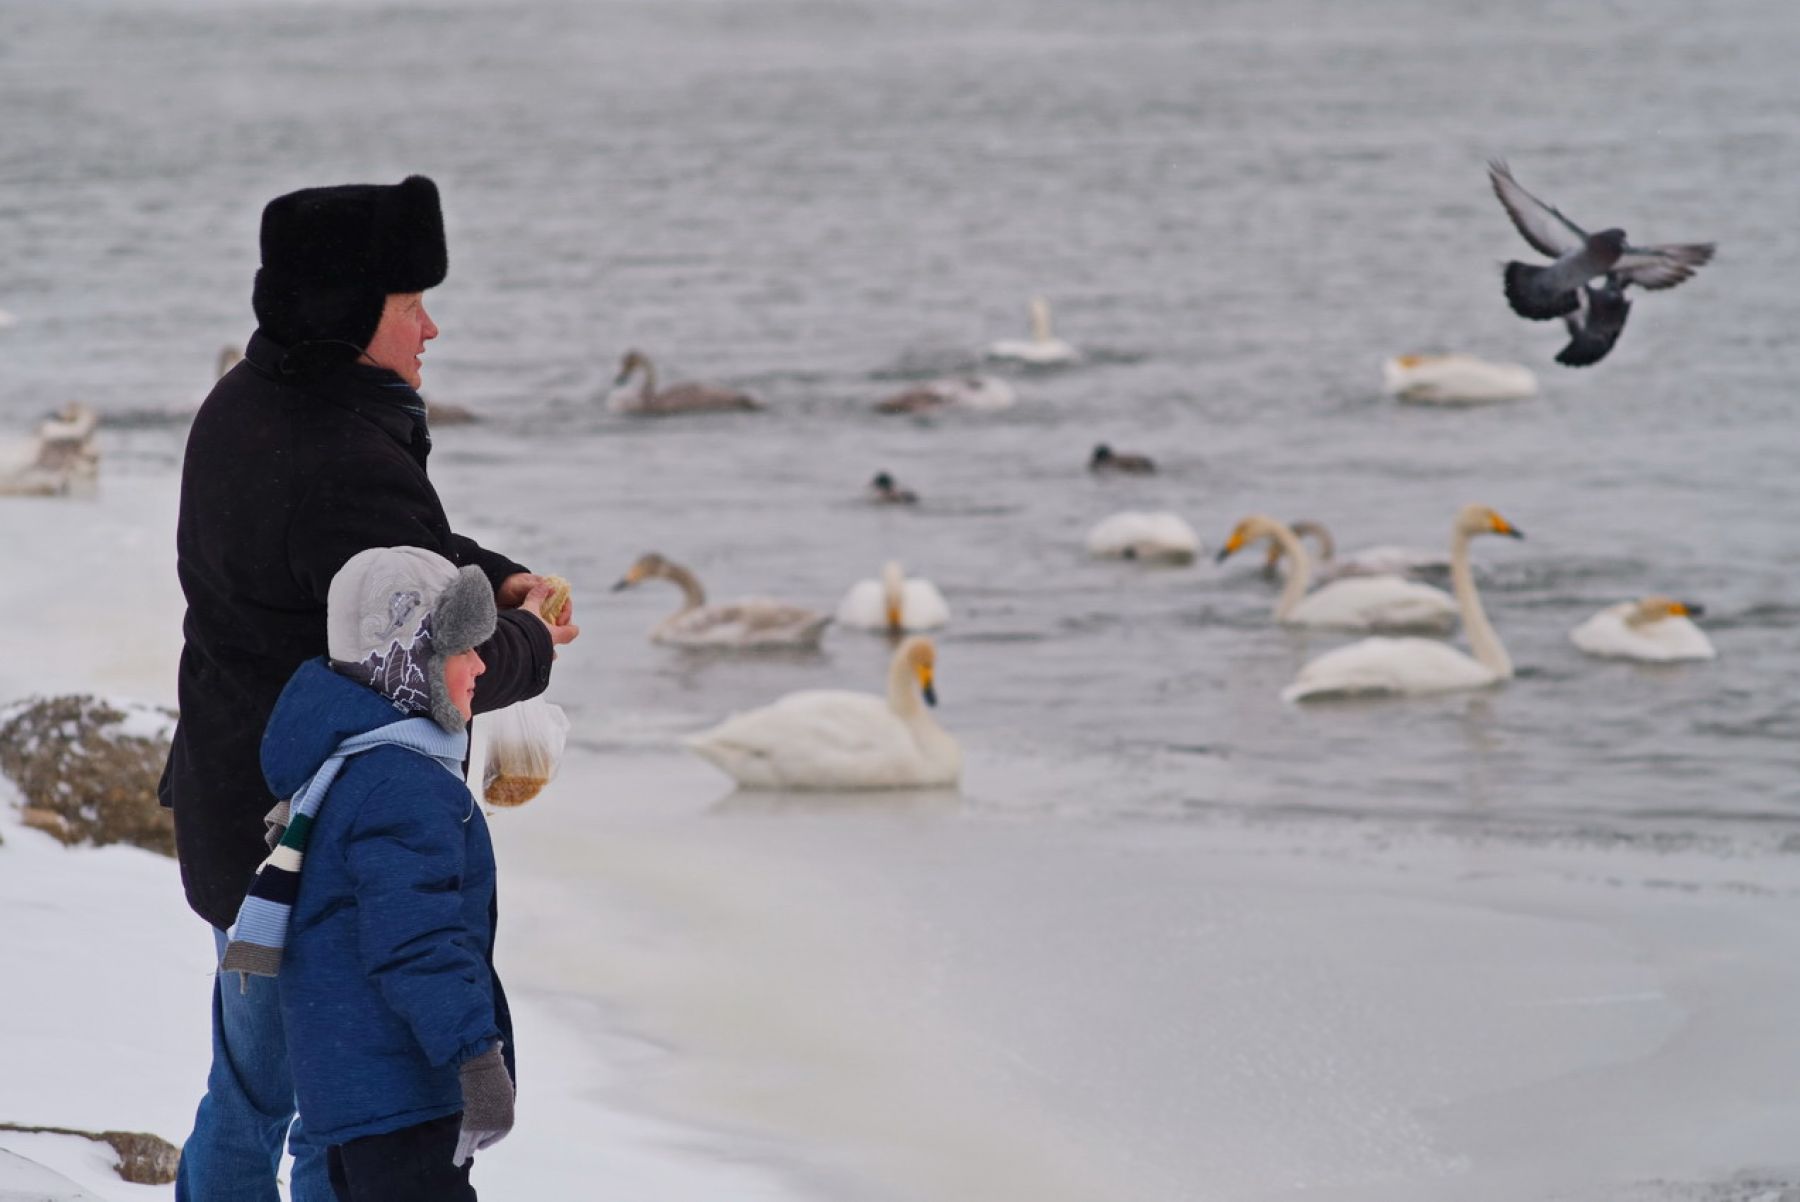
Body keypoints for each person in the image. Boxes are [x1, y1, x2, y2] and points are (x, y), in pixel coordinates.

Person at [160, 174, 579, 1202]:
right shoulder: (342, 454)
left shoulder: (249, 403)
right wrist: (530, 635)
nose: (431, 327)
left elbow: (386, 562)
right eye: (409, 305)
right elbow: (437, 667)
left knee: (251, 1092)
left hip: (230, 809)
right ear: (348, 314)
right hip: (312, 842)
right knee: (333, 1114)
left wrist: (492, 570)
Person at [226, 546, 517, 1200]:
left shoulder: (345, 769)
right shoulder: (405, 786)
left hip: (352, 1089)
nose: (480, 665)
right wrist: (475, 1056)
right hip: (402, 1090)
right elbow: (415, 941)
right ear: (411, 660)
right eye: (461, 649)